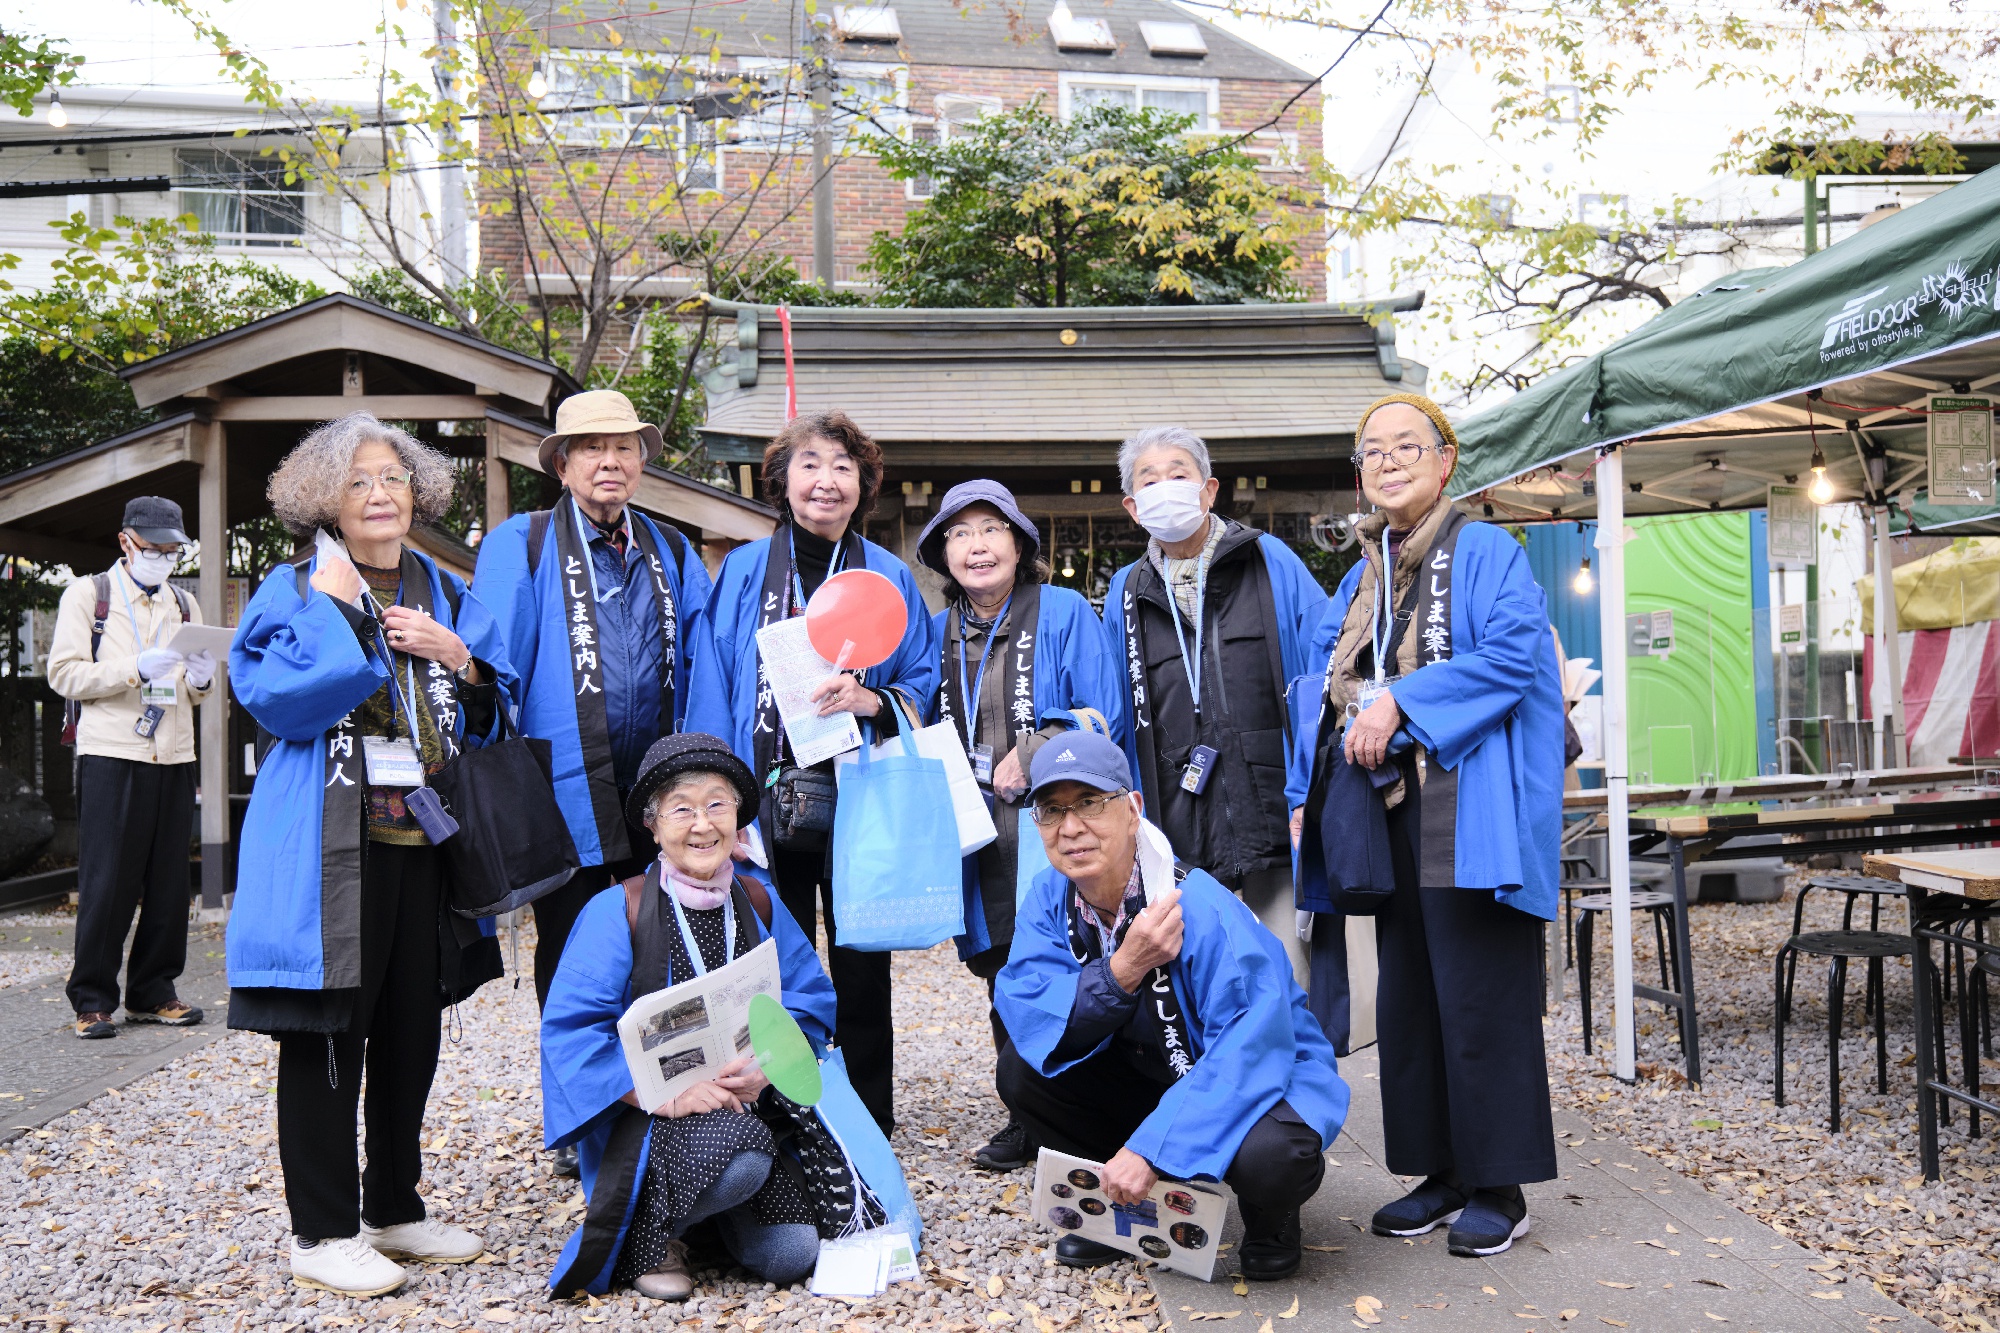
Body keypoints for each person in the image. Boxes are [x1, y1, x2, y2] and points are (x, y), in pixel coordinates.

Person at [227, 413, 518, 1298]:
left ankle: (393, 1204)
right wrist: (354, 630)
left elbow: (488, 707)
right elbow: (272, 699)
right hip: (331, 848)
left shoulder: (440, 584)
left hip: (425, 841)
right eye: (358, 481)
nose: (381, 493)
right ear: (324, 498)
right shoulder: (295, 587)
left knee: (409, 1030)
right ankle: (319, 1228)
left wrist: (461, 657)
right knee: (325, 1031)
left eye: (393, 476)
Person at [1287, 393, 1562, 1259]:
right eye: (1373, 450)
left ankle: (1500, 1183)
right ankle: (1438, 1171)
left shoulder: (1486, 550)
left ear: (1448, 461)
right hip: (1386, 808)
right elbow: (1329, 682)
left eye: (1410, 445)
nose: (1390, 460)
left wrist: (1401, 698)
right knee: (1408, 996)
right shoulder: (1364, 572)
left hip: (1467, 803)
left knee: (1480, 990)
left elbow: (1516, 658)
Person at [994, 732, 1348, 1280]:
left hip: (1261, 1072)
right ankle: (1117, 1207)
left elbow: (1250, 1048)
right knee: (1023, 1069)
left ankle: (1270, 1215)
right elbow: (1029, 1004)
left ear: (1133, 810)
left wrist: (1153, 1147)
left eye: (1089, 803)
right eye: (1051, 810)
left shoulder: (1198, 904)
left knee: (1271, 1159)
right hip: (1150, 1063)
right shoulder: (1048, 896)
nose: (1070, 828)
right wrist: (1122, 970)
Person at [472, 390, 714, 1175]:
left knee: (666, 944)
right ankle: (581, 1113)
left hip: (658, 792)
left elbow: (703, 666)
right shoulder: (526, 542)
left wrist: (705, 774)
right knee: (573, 956)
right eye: (590, 449)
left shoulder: (672, 550)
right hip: (564, 789)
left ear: (642, 461)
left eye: (624, 448)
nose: (609, 462)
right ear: (564, 463)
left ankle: (668, 1097)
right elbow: (490, 662)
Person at [686, 410, 938, 1135]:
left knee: (861, 958)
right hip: (765, 795)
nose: (825, 481)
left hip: (858, 791)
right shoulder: (740, 570)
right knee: (771, 959)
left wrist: (873, 699)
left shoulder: (886, 574)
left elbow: (922, 680)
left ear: (863, 485)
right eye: (810, 464)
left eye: (842, 467)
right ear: (781, 481)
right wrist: (715, 798)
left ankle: (866, 1117)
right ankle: (784, 1105)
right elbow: (713, 681)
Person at [540, 733, 836, 1301]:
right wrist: (658, 1094)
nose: (703, 825)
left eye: (717, 805)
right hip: (650, 1121)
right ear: (653, 827)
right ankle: (653, 1234)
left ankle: (707, 1217)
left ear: (738, 819)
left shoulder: (759, 901)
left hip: (749, 1105)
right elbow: (571, 1034)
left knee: (792, 1254)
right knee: (744, 1158)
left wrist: (769, 1064)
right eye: (682, 809)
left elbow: (812, 999)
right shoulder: (616, 910)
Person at [912, 480, 1127, 1172]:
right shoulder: (938, 628)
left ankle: (1092, 1105)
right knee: (1002, 971)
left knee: (1076, 959)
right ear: (944, 553)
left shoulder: (1061, 609)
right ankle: (1028, 1110)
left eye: (991, 529)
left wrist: (1033, 752)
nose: (976, 546)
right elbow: (913, 710)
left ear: (1019, 542)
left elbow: (1105, 711)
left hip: (1053, 821)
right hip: (975, 831)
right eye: (960, 533)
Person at [1103, 427, 1327, 986]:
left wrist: (1316, 783)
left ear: (1208, 490)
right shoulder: (1125, 592)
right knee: (1206, 978)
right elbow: (1115, 709)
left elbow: (1323, 664)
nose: (1165, 488)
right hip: (1177, 812)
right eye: (1148, 480)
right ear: (1133, 507)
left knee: (1289, 973)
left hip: (1274, 803)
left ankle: (1293, 1072)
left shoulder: (1267, 559)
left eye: (1178, 474)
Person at [48, 497, 216, 1039]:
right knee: (109, 881)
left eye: (173, 550)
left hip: (173, 753)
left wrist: (204, 678)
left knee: (170, 882)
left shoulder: (185, 604)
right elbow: (65, 675)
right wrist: (133, 669)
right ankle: (92, 999)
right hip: (112, 753)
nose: (164, 558)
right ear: (126, 541)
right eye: (154, 549)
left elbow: (191, 693)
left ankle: (153, 991)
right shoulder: (89, 595)